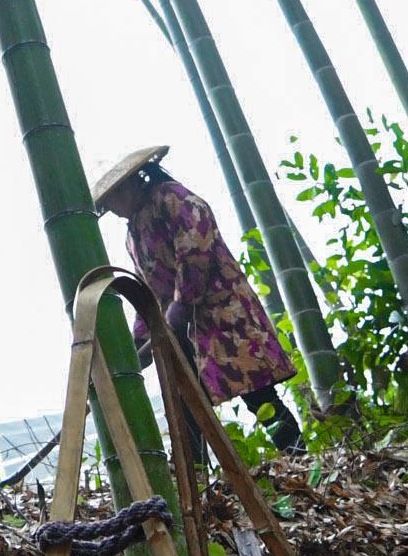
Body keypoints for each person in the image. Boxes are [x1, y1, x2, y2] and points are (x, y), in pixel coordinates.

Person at [94, 144, 307, 453]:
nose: (113, 207)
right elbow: (151, 290)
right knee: (188, 409)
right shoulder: (133, 234)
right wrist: (139, 341)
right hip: (182, 332)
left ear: (130, 183)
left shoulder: (171, 198)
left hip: (224, 317)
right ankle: (199, 487)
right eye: (107, 202)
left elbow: (195, 247)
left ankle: (299, 460)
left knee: (260, 398)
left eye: (114, 197)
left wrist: (182, 303)